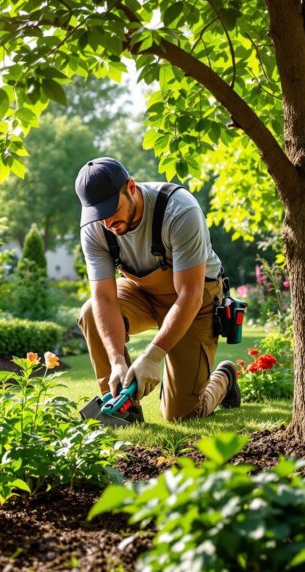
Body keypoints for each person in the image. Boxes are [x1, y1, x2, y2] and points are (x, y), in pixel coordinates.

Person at [75, 157, 240, 422]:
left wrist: (152, 356)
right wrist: (117, 358)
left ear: (130, 187)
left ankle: (225, 377)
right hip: (142, 293)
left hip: (195, 298)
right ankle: (124, 412)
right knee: (91, 310)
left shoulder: (179, 210)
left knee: (182, 414)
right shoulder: (96, 227)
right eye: (98, 213)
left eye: (110, 209)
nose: (106, 222)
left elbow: (190, 295)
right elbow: (104, 298)